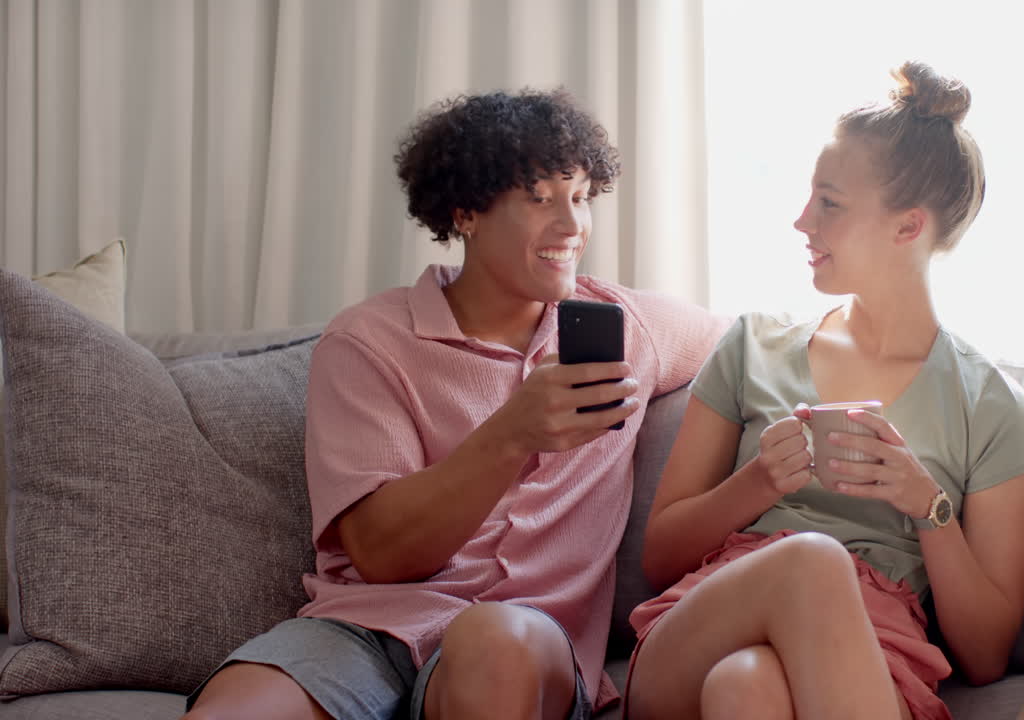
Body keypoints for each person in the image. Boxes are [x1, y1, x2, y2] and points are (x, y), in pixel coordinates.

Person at [183, 88, 727, 720]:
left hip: (523, 642)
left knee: (494, 642)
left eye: (579, 197)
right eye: (539, 198)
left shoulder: (629, 325)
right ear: (466, 213)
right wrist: (511, 434)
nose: (572, 225)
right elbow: (384, 557)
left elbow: (757, 344)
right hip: (367, 631)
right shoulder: (369, 341)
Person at [625, 62, 1024, 720]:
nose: (801, 221)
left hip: (864, 667)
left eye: (830, 203)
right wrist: (760, 481)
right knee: (809, 565)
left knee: (746, 688)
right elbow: (658, 559)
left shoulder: (990, 405)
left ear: (908, 228)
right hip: (695, 638)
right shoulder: (751, 346)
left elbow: (986, 656)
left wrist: (927, 505)